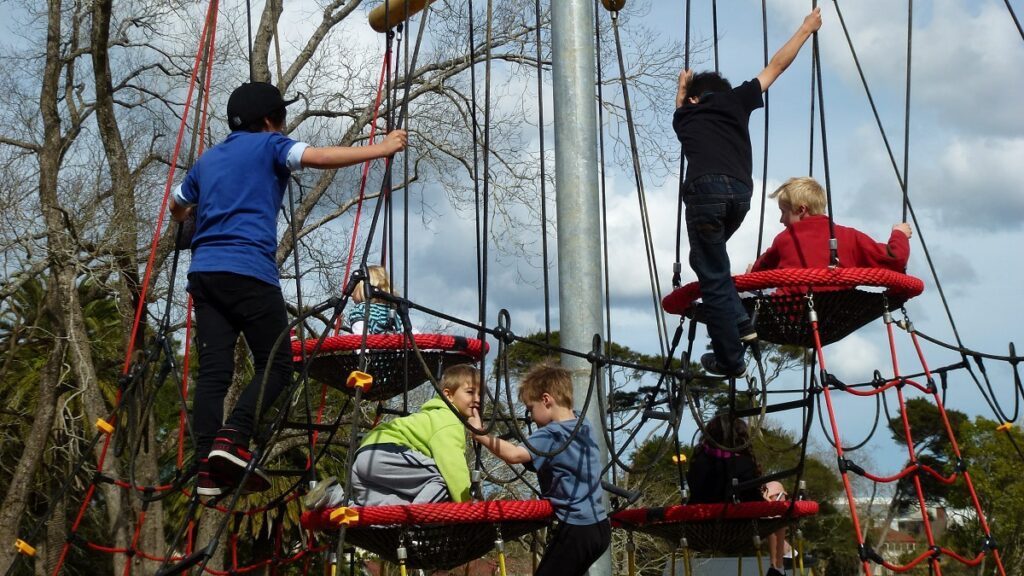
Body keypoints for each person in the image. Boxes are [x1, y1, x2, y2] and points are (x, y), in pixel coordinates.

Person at [169, 81, 408, 497]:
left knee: (214, 371)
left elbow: (177, 203)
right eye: (281, 117)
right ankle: (234, 436)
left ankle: (207, 464)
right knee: (278, 364)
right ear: (269, 121)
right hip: (249, 271)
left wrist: (190, 217)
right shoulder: (270, 146)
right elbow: (319, 157)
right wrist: (381, 148)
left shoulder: (207, 160)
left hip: (205, 273)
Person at [673, 7, 823, 379]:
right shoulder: (737, 100)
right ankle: (739, 320)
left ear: (694, 99)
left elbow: (680, 105)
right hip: (740, 195)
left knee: (711, 273)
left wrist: (682, 87)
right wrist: (806, 28)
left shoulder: (686, 115)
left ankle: (730, 358)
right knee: (709, 262)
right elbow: (777, 66)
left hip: (706, 191)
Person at [469, 364, 609, 576]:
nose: (532, 417)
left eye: (531, 408)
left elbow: (514, 455)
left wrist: (480, 434)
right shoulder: (582, 422)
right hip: (600, 527)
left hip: (577, 529)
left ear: (546, 400)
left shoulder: (552, 433)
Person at [305, 364, 480, 508]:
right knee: (443, 480)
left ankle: (334, 498)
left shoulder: (430, 416)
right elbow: (453, 467)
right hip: (387, 454)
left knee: (389, 513)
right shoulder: (448, 419)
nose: (478, 399)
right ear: (448, 395)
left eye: (480, 394)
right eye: (470, 392)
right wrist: (470, 506)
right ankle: (415, 525)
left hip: (364, 460)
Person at [749, 176, 912, 281]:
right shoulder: (849, 237)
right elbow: (895, 259)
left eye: (783, 212)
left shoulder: (784, 239)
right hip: (837, 311)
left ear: (801, 210)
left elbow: (760, 269)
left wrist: (752, 272)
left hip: (790, 314)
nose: (781, 220)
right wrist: (899, 234)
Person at [687, 415, 788, 576]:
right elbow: (752, 500)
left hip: (701, 526)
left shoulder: (698, 462)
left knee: (768, 493)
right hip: (737, 526)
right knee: (776, 487)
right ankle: (778, 565)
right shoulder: (742, 463)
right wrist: (763, 497)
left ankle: (786, 550)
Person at [346, 264, 404, 335]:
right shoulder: (394, 311)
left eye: (354, 289)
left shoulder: (360, 309)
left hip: (371, 341)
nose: (352, 294)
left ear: (364, 289)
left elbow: (360, 333)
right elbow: (407, 330)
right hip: (394, 341)